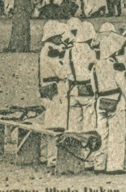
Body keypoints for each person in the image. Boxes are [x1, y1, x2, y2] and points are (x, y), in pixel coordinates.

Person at [93, 33, 126, 174]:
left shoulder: (96, 66)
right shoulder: (116, 65)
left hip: (100, 100)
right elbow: (124, 86)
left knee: (101, 133)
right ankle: (114, 165)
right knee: (117, 134)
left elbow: (93, 85)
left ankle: (99, 164)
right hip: (116, 99)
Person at [38, 20, 70, 166]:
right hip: (54, 89)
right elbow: (62, 72)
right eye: (58, 36)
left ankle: (45, 155)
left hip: (46, 88)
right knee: (54, 124)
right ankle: (52, 158)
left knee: (48, 122)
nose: (60, 39)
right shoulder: (52, 52)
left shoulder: (46, 49)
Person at [66, 21, 97, 133]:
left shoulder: (69, 51)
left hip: (73, 90)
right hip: (87, 90)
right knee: (88, 124)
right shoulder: (91, 52)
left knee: (74, 125)